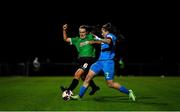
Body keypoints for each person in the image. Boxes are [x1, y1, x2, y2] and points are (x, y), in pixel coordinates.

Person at [71, 23, 136, 101]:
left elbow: (108, 41)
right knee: (87, 78)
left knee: (110, 84)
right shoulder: (104, 38)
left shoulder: (111, 36)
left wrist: (98, 39)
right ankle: (79, 96)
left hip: (108, 63)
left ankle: (128, 92)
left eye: (103, 31)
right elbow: (101, 42)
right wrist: (93, 42)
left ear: (107, 31)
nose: (101, 33)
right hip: (99, 62)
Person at [61, 24, 100, 95]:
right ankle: (94, 87)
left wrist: (93, 42)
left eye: (83, 32)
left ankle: (68, 91)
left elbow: (101, 41)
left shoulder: (90, 36)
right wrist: (64, 30)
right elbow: (65, 39)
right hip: (81, 60)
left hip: (89, 60)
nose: (81, 34)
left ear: (87, 32)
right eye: (80, 32)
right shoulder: (77, 40)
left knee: (77, 74)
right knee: (83, 77)